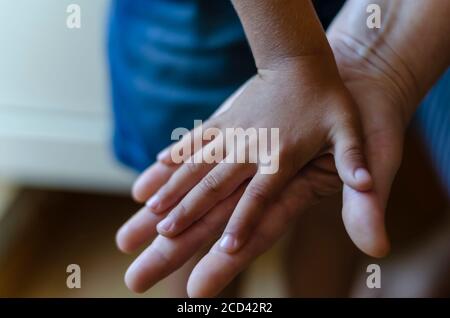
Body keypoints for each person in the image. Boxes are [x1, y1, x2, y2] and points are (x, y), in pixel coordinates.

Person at [112, 0, 450, 297]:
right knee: (203, 213)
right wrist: (292, 59)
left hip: (345, 8)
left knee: (326, 191)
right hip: (192, 25)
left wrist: (319, 63)